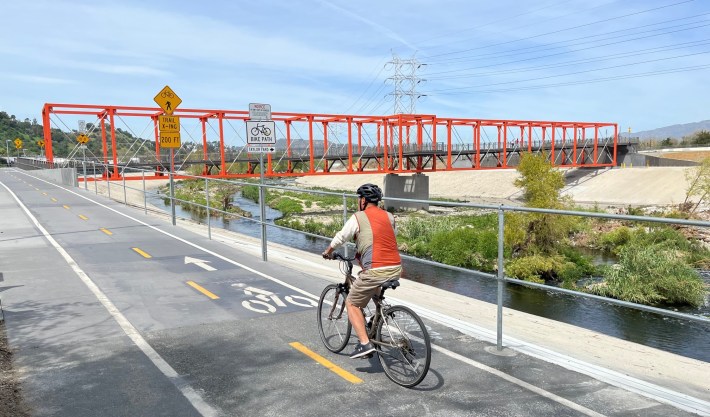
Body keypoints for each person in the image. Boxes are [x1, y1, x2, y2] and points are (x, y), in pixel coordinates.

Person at [322, 183, 402, 359]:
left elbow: (342, 236)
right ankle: (378, 318)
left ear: (363, 200)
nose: (359, 202)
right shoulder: (389, 216)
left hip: (376, 269)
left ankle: (365, 344)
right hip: (395, 266)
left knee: (352, 303)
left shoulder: (359, 217)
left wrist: (328, 251)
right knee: (368, 283)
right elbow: (389, 238)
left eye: (359, 199)